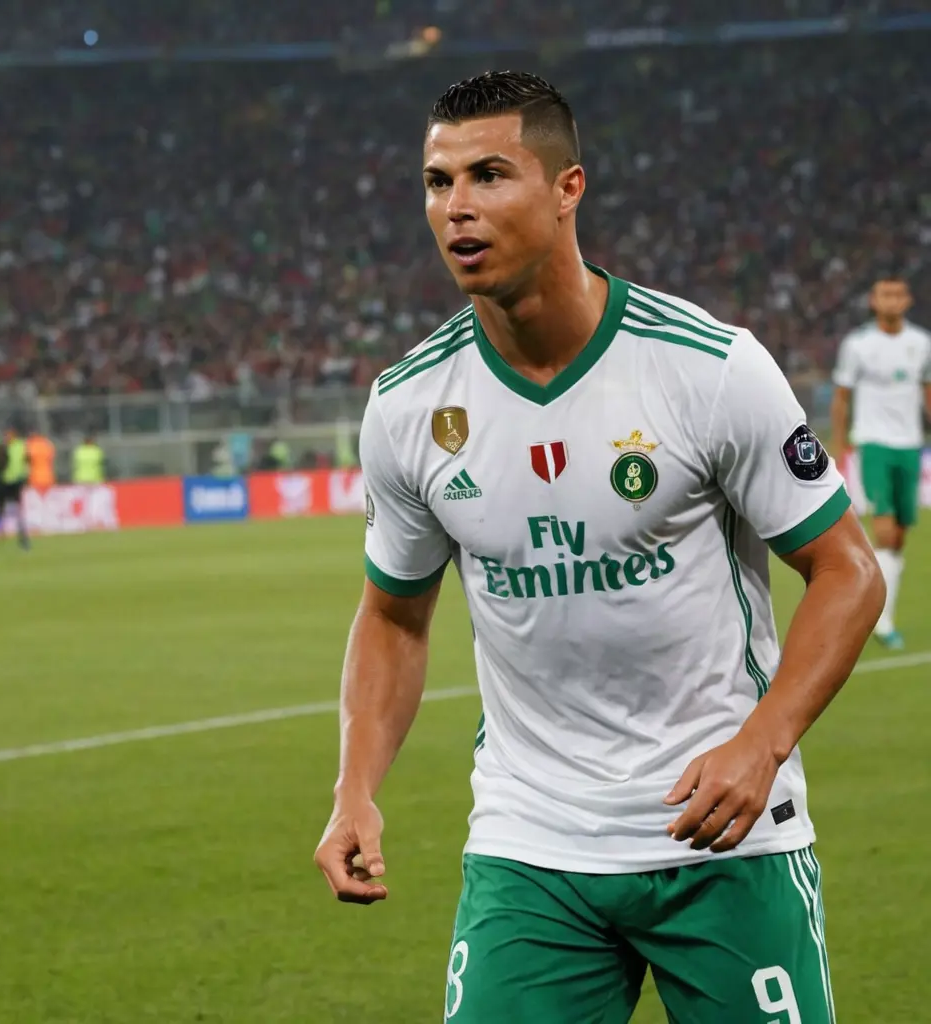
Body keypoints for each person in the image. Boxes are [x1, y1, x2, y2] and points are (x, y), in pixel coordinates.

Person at [314, 72, 886, 1024]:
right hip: (532, 845)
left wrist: (763, 742)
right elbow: (392, 618)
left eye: (490, 175)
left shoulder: (708, 368)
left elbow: (847, 571)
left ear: (567, 188)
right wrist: (355, 790)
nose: (456, 207)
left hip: (723, 836)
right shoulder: (409, 406)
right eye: (437, 181)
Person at [831, 275, 931, 651]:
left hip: (910, 446)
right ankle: (879, 620)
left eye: (898, 294)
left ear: (907, 300)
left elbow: (927, 392)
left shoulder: (921, 343)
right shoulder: (857, 345)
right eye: (884, 294)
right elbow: (841, 398)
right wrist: (840, 448)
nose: (891, 300)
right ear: (873, 301)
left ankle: (881, 612)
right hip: (873, 444)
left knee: (899, 538)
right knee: (885, 533)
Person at [0, 426, 31, 550]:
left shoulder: (21, 446)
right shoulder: (2, 447)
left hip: (16, 481)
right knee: (0, 507)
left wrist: (25, 476)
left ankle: (22, 534)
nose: (7, 437)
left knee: (18, 509)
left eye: (9, 435)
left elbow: (26, 460)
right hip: (4, 480)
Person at [26, 427, 56, 491]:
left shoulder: (30, 445)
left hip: (34, 478)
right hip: (48, 477)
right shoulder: (48, 444)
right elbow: (51, 458)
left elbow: (27, 460)